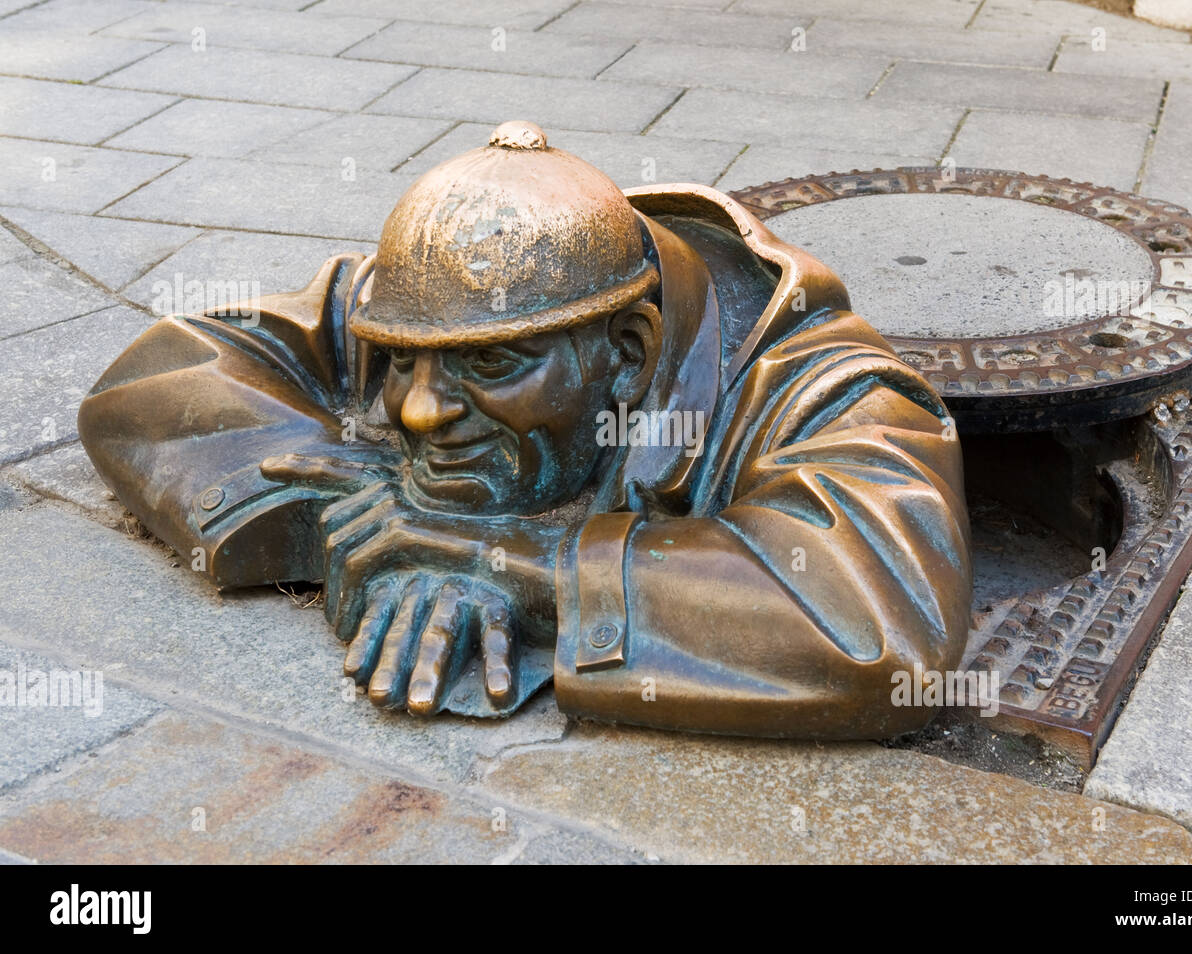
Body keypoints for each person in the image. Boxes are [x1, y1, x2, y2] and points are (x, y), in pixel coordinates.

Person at [80, 121, 972, 738]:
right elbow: (162, 376)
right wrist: (351, 511)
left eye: (493, 368)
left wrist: (520, 566)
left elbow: (882, 627)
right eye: (401, 361)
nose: (420, 409)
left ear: (630, 352)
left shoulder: (823, 385)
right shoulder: (438, 311)